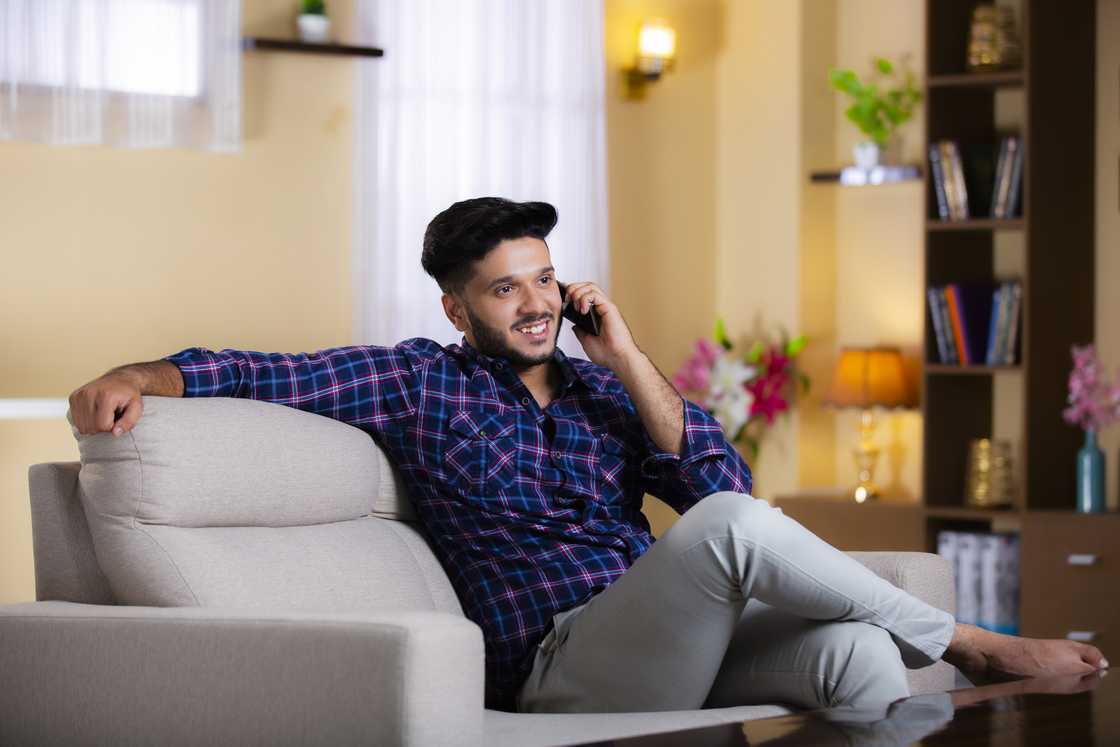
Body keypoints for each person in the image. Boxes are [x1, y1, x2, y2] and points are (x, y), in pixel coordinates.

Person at [69, 197, 1108, 714]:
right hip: (557, 666)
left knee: (862, 658)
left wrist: (623, 351)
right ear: (455, 305)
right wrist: (145, 372)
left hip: (665, 643)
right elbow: (264, 369)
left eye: (544, 281)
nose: (532, 306)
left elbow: (719, 482)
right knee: (736, 536)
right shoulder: (417, 381)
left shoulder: (606, 389)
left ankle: (934, 648)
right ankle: (973, 643)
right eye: (504, 288)